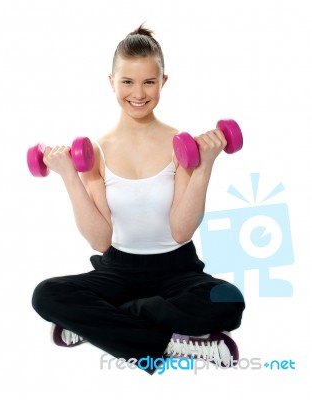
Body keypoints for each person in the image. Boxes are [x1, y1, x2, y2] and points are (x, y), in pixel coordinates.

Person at [32, 24, 245, 374]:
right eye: (127, 82)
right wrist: (70, 174)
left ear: (163, 82)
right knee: (46, 295)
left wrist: (205, 166)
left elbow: (181, 232)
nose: (138, 93)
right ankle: (168, 343)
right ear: (111, 82)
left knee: (230, 301)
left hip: (178, 269)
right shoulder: (96, 152)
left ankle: (98, 324)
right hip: (119, 270)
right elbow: (101, 241)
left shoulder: (183, 146)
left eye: (148, 82)